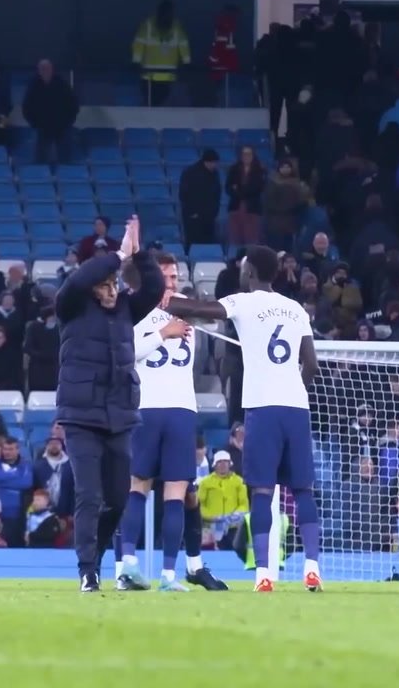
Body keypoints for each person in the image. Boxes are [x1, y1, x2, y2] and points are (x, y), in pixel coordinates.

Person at [163, 245, 322, 592]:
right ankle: (312, 567)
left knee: (262, 492)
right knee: (303, 490)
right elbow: (310, 364)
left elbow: (200, 310)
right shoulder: (295, 308)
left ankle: (264, 573)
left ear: (249, 272)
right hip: (296, 406)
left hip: (262, 408)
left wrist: (163, 299)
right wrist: (294, 386)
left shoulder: (242, 302)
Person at [55, 216, 162, 592]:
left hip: (119, 415)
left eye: (114, 284)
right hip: (81, 417)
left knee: (118, 500)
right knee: (89, 494)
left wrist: (139, 254)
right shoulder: (70, 306)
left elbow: (154, 286)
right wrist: (118, 253)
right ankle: (86, 571)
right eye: (105, 285)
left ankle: (96, 559)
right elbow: (79, 278)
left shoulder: (125, 312)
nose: (112, 290)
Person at [116, 252, 227, 592]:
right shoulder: (139, 315)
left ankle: (168, 575)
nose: (173, 284)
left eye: (176, 278)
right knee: (138, 488)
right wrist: (165, 331)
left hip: (181, 410)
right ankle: (128, 567)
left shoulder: (184, 313)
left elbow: (213, 314)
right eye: (166, 278)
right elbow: (128, 353)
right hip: (147, 409)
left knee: (177, 493)